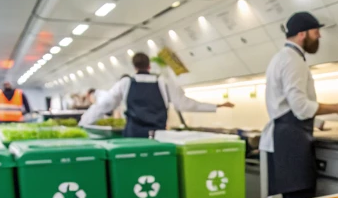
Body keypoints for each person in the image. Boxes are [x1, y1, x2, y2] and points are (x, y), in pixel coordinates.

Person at [260, 12, 338, 198]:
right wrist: (337, 107)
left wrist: (317, 122)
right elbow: (300, 106)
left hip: (287, 137)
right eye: (316, 31)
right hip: (290, 141)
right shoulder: (292, 60)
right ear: (302, 34)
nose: (319, 36)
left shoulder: (283, 57)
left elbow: (290, 105)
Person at [79, 52, 234, 137]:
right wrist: (216, 106)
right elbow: (184, 104)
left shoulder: (125, 83)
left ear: (134, 67)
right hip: (158, 135)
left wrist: (84, 123)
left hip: (133, 135)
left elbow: (105, 104)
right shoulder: (163, 82)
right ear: (149, 65)